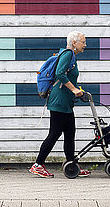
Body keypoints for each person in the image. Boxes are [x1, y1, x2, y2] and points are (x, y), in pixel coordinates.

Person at [29, 31, 90, 178]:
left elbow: (67, 76)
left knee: (70, 134)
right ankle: (38, 165)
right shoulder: (68, 54)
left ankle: (71, 164)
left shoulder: (71, 56)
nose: (85, 45)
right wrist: (74, 89)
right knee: (54, 133)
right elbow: (60, 73)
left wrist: (78, 90)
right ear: (74, 43)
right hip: (59, 102)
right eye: (83, 42)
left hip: (66, 102)